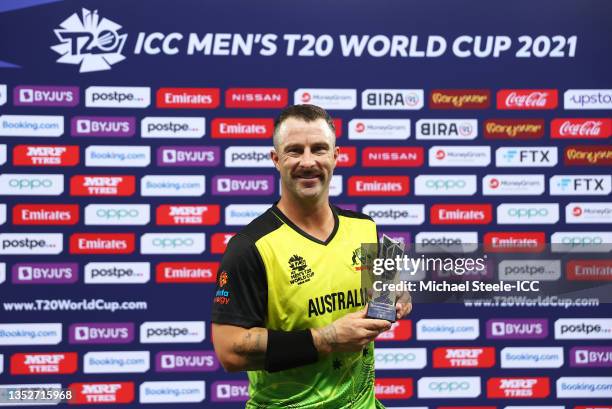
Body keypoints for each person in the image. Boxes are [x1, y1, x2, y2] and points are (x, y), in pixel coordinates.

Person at [211, 104, 412, 408]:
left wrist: (398, 296)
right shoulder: (249, 247)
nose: (308, 162)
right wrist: (326, 338)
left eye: (319, 149)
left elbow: (385, 293)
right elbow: (230, 352)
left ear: (336, 156)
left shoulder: (364, 228)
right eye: (294, 151)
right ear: (276, 160)